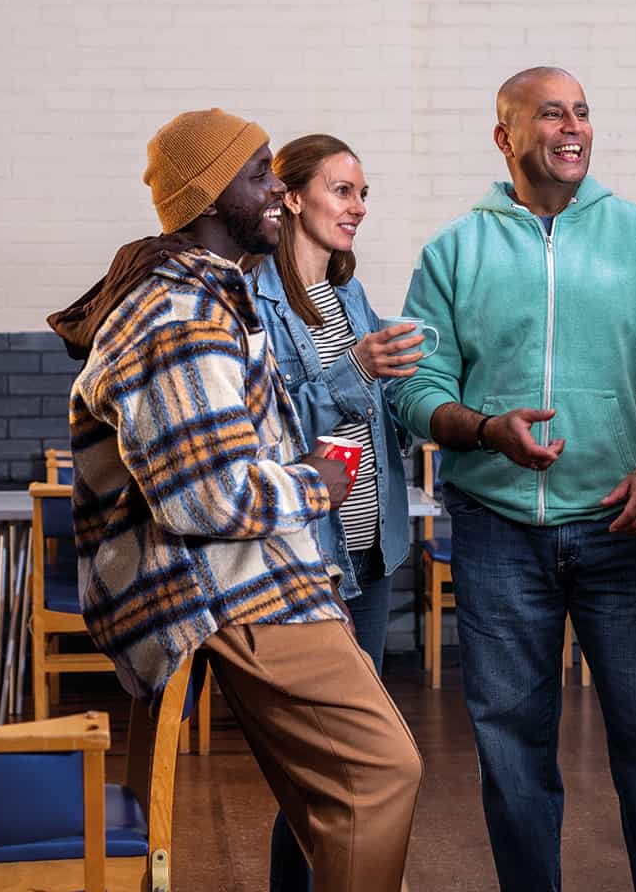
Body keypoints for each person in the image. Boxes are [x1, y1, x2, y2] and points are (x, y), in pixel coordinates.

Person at [48, 108, 422, 892]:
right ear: (211, 197)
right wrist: (315, 485)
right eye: (260, 175)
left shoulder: (211, 295)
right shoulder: (180, 312)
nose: (279, 194)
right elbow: (207, 498)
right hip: (221, 582)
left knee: (342, 792)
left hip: (252, 572)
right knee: (382, 771)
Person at [397, 67, 636, 891]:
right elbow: (416, 389)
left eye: (581, 112)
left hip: (620, 524)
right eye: (549, 114)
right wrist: (484, 431)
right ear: (506, 137)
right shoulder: (454, 250)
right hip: (497, 532)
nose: (572, 127)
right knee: (511, 750)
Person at [250, 133, 423, 892]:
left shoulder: (347, 294)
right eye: (341, 190)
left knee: (345, 767)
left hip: (368, 543)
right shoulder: (253, 291)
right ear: (290, 196)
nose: (357, 208)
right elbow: (278, 422)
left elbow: (375, 412)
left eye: (362, 194)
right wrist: (358, 369)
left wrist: (431, 398)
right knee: (327, 765)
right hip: (309, 551)